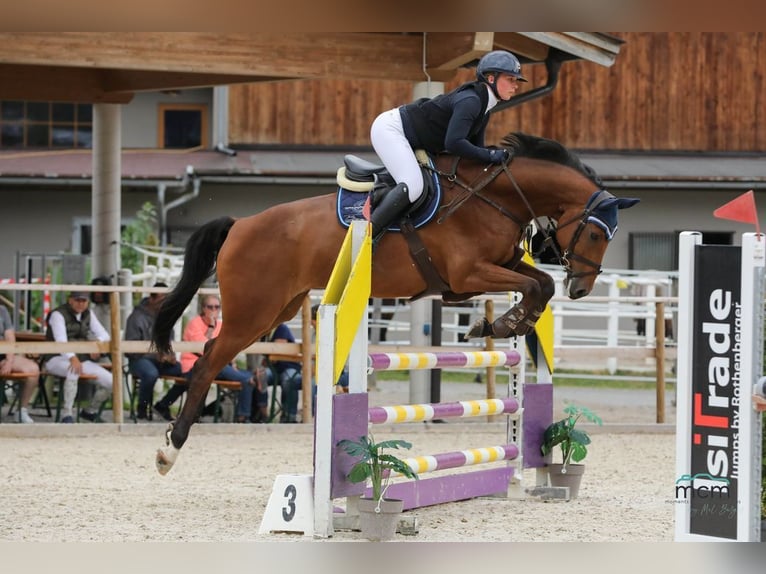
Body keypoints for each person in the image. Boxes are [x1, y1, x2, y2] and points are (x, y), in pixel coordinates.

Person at [368, 49, 526, 244]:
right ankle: (368, 236)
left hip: (411, 137)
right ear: (491, 78)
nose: (515, 85)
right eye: (511, 79)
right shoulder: (471, 101)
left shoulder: (484, 107)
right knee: (414, 186)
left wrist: (494, 157)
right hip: (392, 130)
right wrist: (493, 155)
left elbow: (476, 152)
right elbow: (454, 143)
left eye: (516, 80)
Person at [180, 294, 262, 423]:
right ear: (203, 309)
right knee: (247, 379)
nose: (214, 311)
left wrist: (232, 361)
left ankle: (251, 415)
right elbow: (203, 348)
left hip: (217, 366)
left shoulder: (221, 324)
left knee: (253, 377)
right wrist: (211, 328)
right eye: (210, 307)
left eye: (217, 307)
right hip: (194, 365)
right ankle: (243, 416)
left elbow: (227, 346)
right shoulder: (195, 323)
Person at [44, 290, 112, 423]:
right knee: (73, 370)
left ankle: (90, 411)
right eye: (77, 300)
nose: (81, 304)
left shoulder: (88, 314)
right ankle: (67, 414)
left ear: (88, 302)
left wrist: (96, 344)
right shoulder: (58, 314)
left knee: (111, 381)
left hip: (81, 359)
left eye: (84, 301)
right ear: (70, 300)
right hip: (56, 358)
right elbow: (60, 341)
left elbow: (105, 335)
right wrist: (72, 357)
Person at [124, 282, 185, 421]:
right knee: (150, 374)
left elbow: (170, 341)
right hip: (138, 360)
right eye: (162, 300)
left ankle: (163, 405)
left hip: (159, 360)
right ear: (152, 299)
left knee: (185, 374)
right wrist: (156, 355)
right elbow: (130, 349)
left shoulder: (166, 317)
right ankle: (142, 408)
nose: (165, 304)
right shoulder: (136, 318)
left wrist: (170, 356)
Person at [0, 304, 40, 423]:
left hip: (3, 353)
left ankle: (21, 411)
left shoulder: (2, 310)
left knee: (33, 369)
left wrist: (9, 360)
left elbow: (10, 336)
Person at [309, 304, 348, 416]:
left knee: (314, 383)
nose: (311, 323)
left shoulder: (333, 333)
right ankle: (314, 412)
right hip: (324, 370)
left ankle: (317, 413)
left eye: (313, 320)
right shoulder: (315, 334)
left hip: (338, 371)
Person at [263, 322, 303, 423]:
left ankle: (290, 415)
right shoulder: (264, 331)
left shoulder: (281, 328)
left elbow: (278, 351)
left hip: (289, 366)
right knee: (260, 377)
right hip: (275, 369)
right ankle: (261, 413)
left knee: (290, 380)